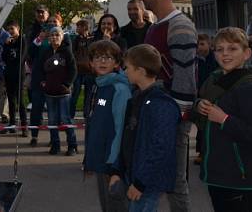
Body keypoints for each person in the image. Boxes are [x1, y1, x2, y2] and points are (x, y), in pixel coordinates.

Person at [136, 0, 197, 212]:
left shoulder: (180, 25)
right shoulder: (154, 27)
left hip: (171, 116)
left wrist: (179, 117)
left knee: (175, 182)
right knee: (159, 177)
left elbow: (186, 77)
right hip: (155, 112)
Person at [193, 27, 252, 212]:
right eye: (219, 49)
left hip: (239, 178)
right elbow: (199, 118)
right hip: (217, 173)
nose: (225, 54)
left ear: (247, 53)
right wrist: (199, 106)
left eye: (232, 48)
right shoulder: (213, 80)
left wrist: (224, 119)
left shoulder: (249, 89)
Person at [112, 45, 180, 212]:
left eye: (127, 67)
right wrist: (119, 170)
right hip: (136, 176)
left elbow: (161, 147)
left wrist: (141, 183)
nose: (124, 71)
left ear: (140, 71)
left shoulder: (160, 103)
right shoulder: (137, 98)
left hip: (147, 182)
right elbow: (129, 137)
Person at [82, 39, 131, 212]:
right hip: (100, 159)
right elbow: (94, 126)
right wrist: (89, 160)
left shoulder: (119, 89)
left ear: (117, 63)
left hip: (112, 162)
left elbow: (120, 128)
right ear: (91, 62)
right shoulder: (98, 85)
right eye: (98, 57)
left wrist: (115, 164)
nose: (102, 61)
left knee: (117, 205)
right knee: (107, 206)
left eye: (108, 58)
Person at [39, 26, 77, 155]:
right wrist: (43, 82)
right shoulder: (46, 52)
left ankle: (72, 145)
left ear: (62, 37)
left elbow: (73, 70)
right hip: (50, 92)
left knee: (66, 119)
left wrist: (67, 84)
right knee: (52, 120)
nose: (54, 37)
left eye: (57, 35)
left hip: (63, 93)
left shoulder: (67, 52)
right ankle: (55, 144)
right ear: (49, 38)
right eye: (52, 35)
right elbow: (40, 69)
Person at [193, 32, 218, 165]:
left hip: (211, 95)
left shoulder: (214, 60)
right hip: (199, 96)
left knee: (211, 126)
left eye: (202, 44)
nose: (199, 47)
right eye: (197, 45)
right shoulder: (195, 60)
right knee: (201, 127)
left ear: (209, 45)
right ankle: (202, 152)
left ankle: (211, 152)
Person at [1, 20, 28, 137]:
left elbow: (21, 57)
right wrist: (6, 45)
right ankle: (12, 124)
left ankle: (24, 126)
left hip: (18, 74)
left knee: (20, 101)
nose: (10, 31)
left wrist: (14, 63)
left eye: (12, 29)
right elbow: (4, 57)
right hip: (9, 74)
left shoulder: (22, 41)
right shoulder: (9, 42)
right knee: (11, 100)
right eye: (9, 30)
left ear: (18, 29)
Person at [71, 19, 98, 121]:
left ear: (84, 27)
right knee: (75, 94)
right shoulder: (76, 39)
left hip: (90, 71)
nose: (77, 28)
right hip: (78, 71)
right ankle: (70, 115)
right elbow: (73, 52)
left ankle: (86, 115)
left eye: (79, 26)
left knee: (89, 95)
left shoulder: (92, 39)